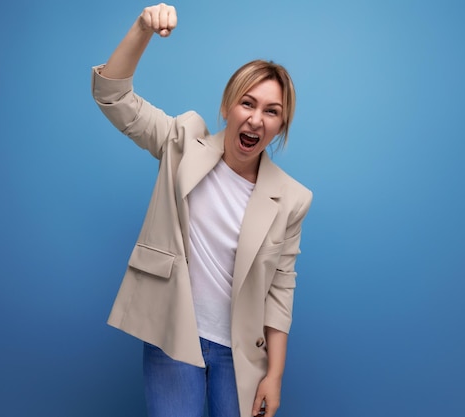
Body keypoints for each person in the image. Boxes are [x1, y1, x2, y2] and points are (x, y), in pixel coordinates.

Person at [91, 3, 312, 417]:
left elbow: (281, 292)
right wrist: (142, 27)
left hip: (240, 352)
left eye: (272, 111)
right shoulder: (182, 142)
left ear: (281, 126)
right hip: (172, 337)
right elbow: (112, 95)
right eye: (248, 103)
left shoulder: (292, 198)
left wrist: (274, 375)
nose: (256, 119)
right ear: (228, 105)